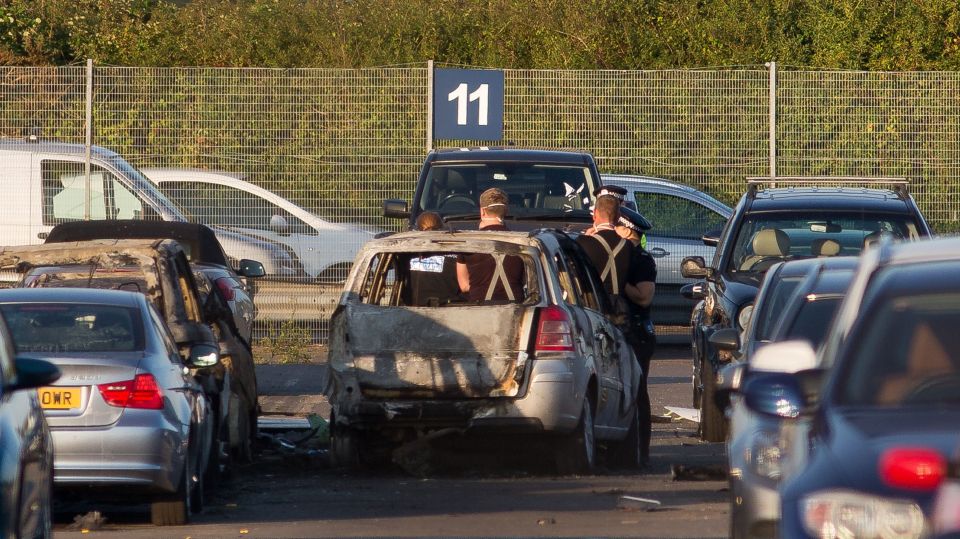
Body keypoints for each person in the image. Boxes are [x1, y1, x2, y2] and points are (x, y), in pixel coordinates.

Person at [578, 193, 657, 465]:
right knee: (633, 386)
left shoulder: (582, 244)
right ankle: (636, 450)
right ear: (616, 217)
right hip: (623, 320)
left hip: (592, 318)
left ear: (595, 215)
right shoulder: (631, 251)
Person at [456, 188, 525, 302]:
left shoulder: (468, 243)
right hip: (515, 307)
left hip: (479, 306)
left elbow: (463, 285)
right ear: (505, 211)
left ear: (482, 211)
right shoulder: (521, 242)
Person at [404, 211, 462, 306]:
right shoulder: (456, 254)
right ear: (441, 229)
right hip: (451, 308)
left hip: (414, 311)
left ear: (418, 230)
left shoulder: (407, 254)